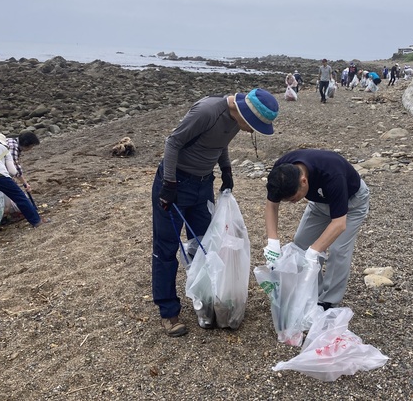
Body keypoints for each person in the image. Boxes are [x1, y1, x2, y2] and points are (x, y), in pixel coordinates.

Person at [152, 88, 279, 337]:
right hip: (175, 183)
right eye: (253, 125)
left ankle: (208, 301)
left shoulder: (234, 120)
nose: (252, 131)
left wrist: (226, 169)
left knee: (207, 245)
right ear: (244, 113)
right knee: (166, 248)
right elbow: (173, 142)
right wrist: (168, 184)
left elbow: (220, 144)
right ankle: (169, 312)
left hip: (203, 185)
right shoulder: (208, 111)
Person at [263, 149, 370, 310]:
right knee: (300, 244)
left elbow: (339, 223)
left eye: (293, 199)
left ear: (304, 181)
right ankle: (313, 292)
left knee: (338, 250)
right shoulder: (281, 173)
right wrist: (272, 242)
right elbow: (271, 205)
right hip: (320, 204)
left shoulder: (332, 174)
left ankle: (329, 301)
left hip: (352, 202)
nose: (293, 203)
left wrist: (314, 251)